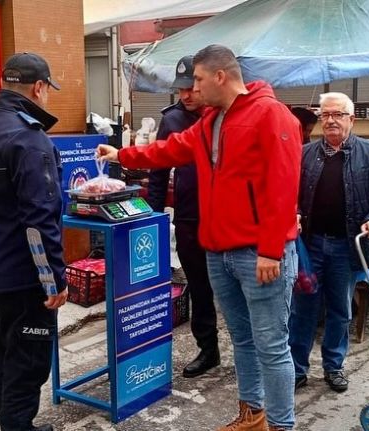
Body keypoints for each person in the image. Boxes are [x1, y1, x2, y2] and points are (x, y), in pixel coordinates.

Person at [98, 44, 301, 431]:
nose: (194, 88)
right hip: (219, 252)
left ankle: (281, 425)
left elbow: (284, 186)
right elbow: (169, 150)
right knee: (242, 340)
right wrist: (121, 155)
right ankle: (253, 415)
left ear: (220, 76)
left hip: (260, 254)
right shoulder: (211, 121)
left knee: (272, 347)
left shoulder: (272, 115)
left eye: (199, 79)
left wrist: (271, 251)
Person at [0, 52, 67, 431]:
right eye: (47, 90)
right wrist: (54, 280)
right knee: (28, 357)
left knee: (5, 349)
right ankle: (17, 425)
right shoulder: (29, 138)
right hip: (23, 276)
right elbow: (39, 220)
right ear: (38, 88)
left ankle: (10, 422)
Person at [290, 92, 369, 393]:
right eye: (325, 115)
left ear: (352, 119)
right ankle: (297, 368)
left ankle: (333, 367)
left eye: (337, 114)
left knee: (340, 309)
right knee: (303, 309)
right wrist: (294, 213)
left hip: (346, 246)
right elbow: (291, 194)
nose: (331, 120)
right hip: (309, 247)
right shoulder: (305, 153)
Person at [146, 55, 221, 379]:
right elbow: (158, 170)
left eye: (191, 88)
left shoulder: (224, 115)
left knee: (235, 287)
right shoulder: (172, 119)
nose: (186, 95)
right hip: (191, 216)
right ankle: (209, 348)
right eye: (180, 90)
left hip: (226, 216)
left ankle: (253, 349)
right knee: (200, 286)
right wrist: (154, 215)